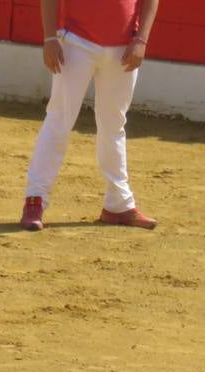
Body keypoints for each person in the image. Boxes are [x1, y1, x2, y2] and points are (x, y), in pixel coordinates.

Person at [20, 0, 161, 231]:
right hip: (76, 42)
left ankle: (118, 204)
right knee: (59, 120)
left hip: (124, 45)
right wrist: (50, 38)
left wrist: (141, 39)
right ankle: (34, 200)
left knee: (114, 124)